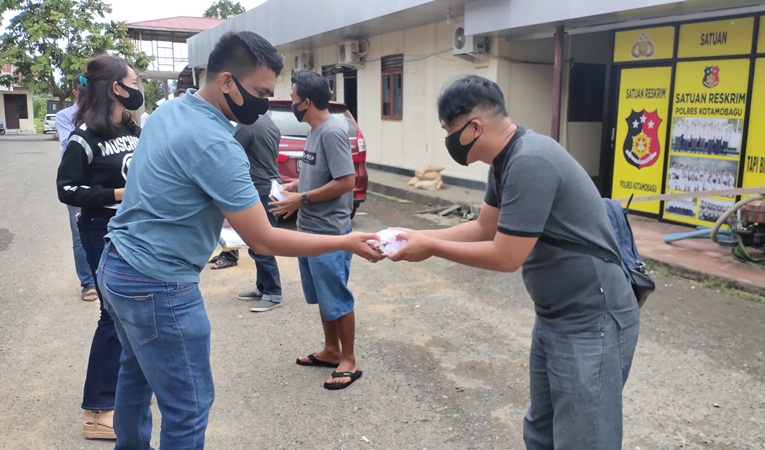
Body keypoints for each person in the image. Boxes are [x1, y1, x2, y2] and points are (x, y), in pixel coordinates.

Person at [96, 32, 380, 448]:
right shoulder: (214, 141)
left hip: (117, 264)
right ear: (227, 81)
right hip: (158, 284)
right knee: (188, 407)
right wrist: (346, 241)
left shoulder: (170, 110)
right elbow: (263, 240)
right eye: (262, 92)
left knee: (135, 378)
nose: (267, 102)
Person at [387, 75, 640, 449]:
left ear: (475, 126)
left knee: (584, 439)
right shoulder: (504, 162)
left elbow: (506, 256)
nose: (449, 142)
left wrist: (432, 247)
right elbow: (484, 228)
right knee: (542, 431)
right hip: (556, 316)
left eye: (450, 130)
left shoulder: (531, 160)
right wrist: (417, 235)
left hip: (592, 321)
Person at [56, 54, 143, 440]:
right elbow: (67, 189)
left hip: (132, 227)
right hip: (101, 227)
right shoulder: (83, 137)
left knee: (129, 315)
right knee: (112, 316)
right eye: (134, 80)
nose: (138, 88)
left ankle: (121, 396)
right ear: (115, 88)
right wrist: (123, 192)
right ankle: (97, 410)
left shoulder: (131, 128)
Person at [270, 70, 361, 390]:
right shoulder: (314, 131)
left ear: (306, 102)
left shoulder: (332, 132)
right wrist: (295, 186)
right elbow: (322, 174)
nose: (293, 105)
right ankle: (331, 349)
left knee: (336, 295)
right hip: (310, 230)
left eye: (294, 100)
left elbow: (346, 181)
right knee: (323, 297)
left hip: (329, 232)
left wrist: (302, 198)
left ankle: (348, 359)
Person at [232, 113, 285, 312]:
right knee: (258, 242)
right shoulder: (268, 121)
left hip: (260, 190)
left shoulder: (246, 126)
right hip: (271, 187)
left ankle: (273, 293)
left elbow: (229, 152)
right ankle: (262, 287)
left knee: (260, 243)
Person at [56, 74, 97, 302]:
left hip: (101, 180)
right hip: (77, 181)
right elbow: (67, 147)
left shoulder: (102, 114)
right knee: (80, 233)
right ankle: (88, 282)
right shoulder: (64, 117)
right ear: (76, 92)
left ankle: (107, 277)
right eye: (83, 89)